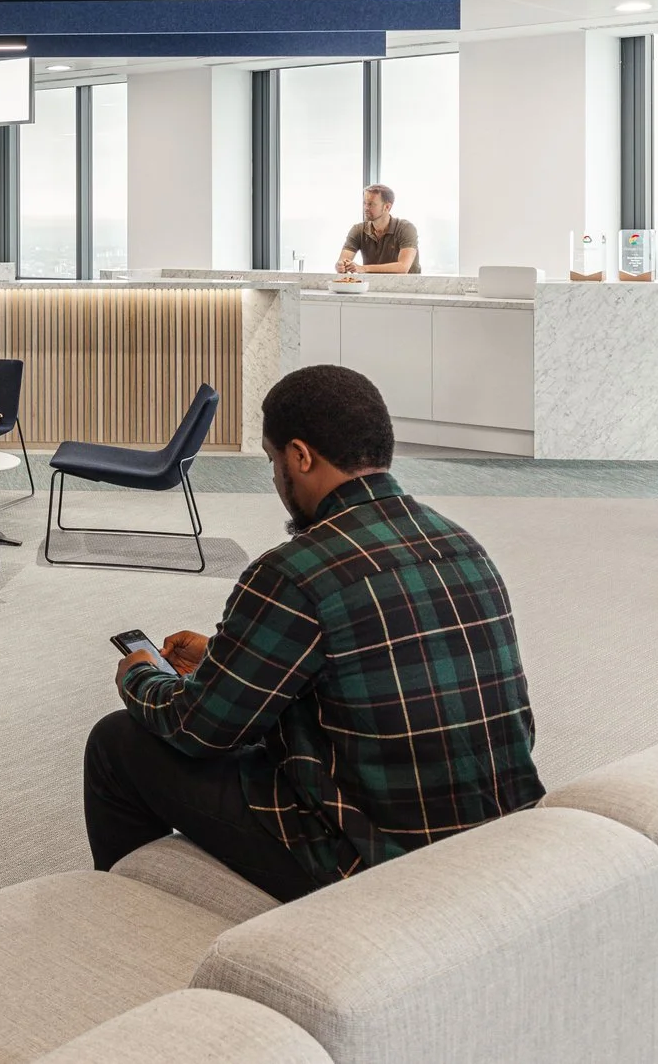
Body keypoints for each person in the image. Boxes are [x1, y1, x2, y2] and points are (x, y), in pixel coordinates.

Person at [84, 363, 542, 903]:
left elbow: (200, 730)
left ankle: (128, 916)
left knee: (117, 742)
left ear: (300, 456)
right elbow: (372, 663)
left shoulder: (294, 571)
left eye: (273, 459)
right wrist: (226, 658)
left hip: (376, 862)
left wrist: (140, 677)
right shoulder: (461, 543)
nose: (275, 476)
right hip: (500, 835)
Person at [335, 185, 418, 274]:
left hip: (407, 286)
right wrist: (341, 266)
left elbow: (403, 267)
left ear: (387, 207)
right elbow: (342, 261)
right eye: (364, 203)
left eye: (371, 204)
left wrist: (363, 268)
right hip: (373, 285)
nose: (365, 208)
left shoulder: (406, 228)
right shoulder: (358, 229)